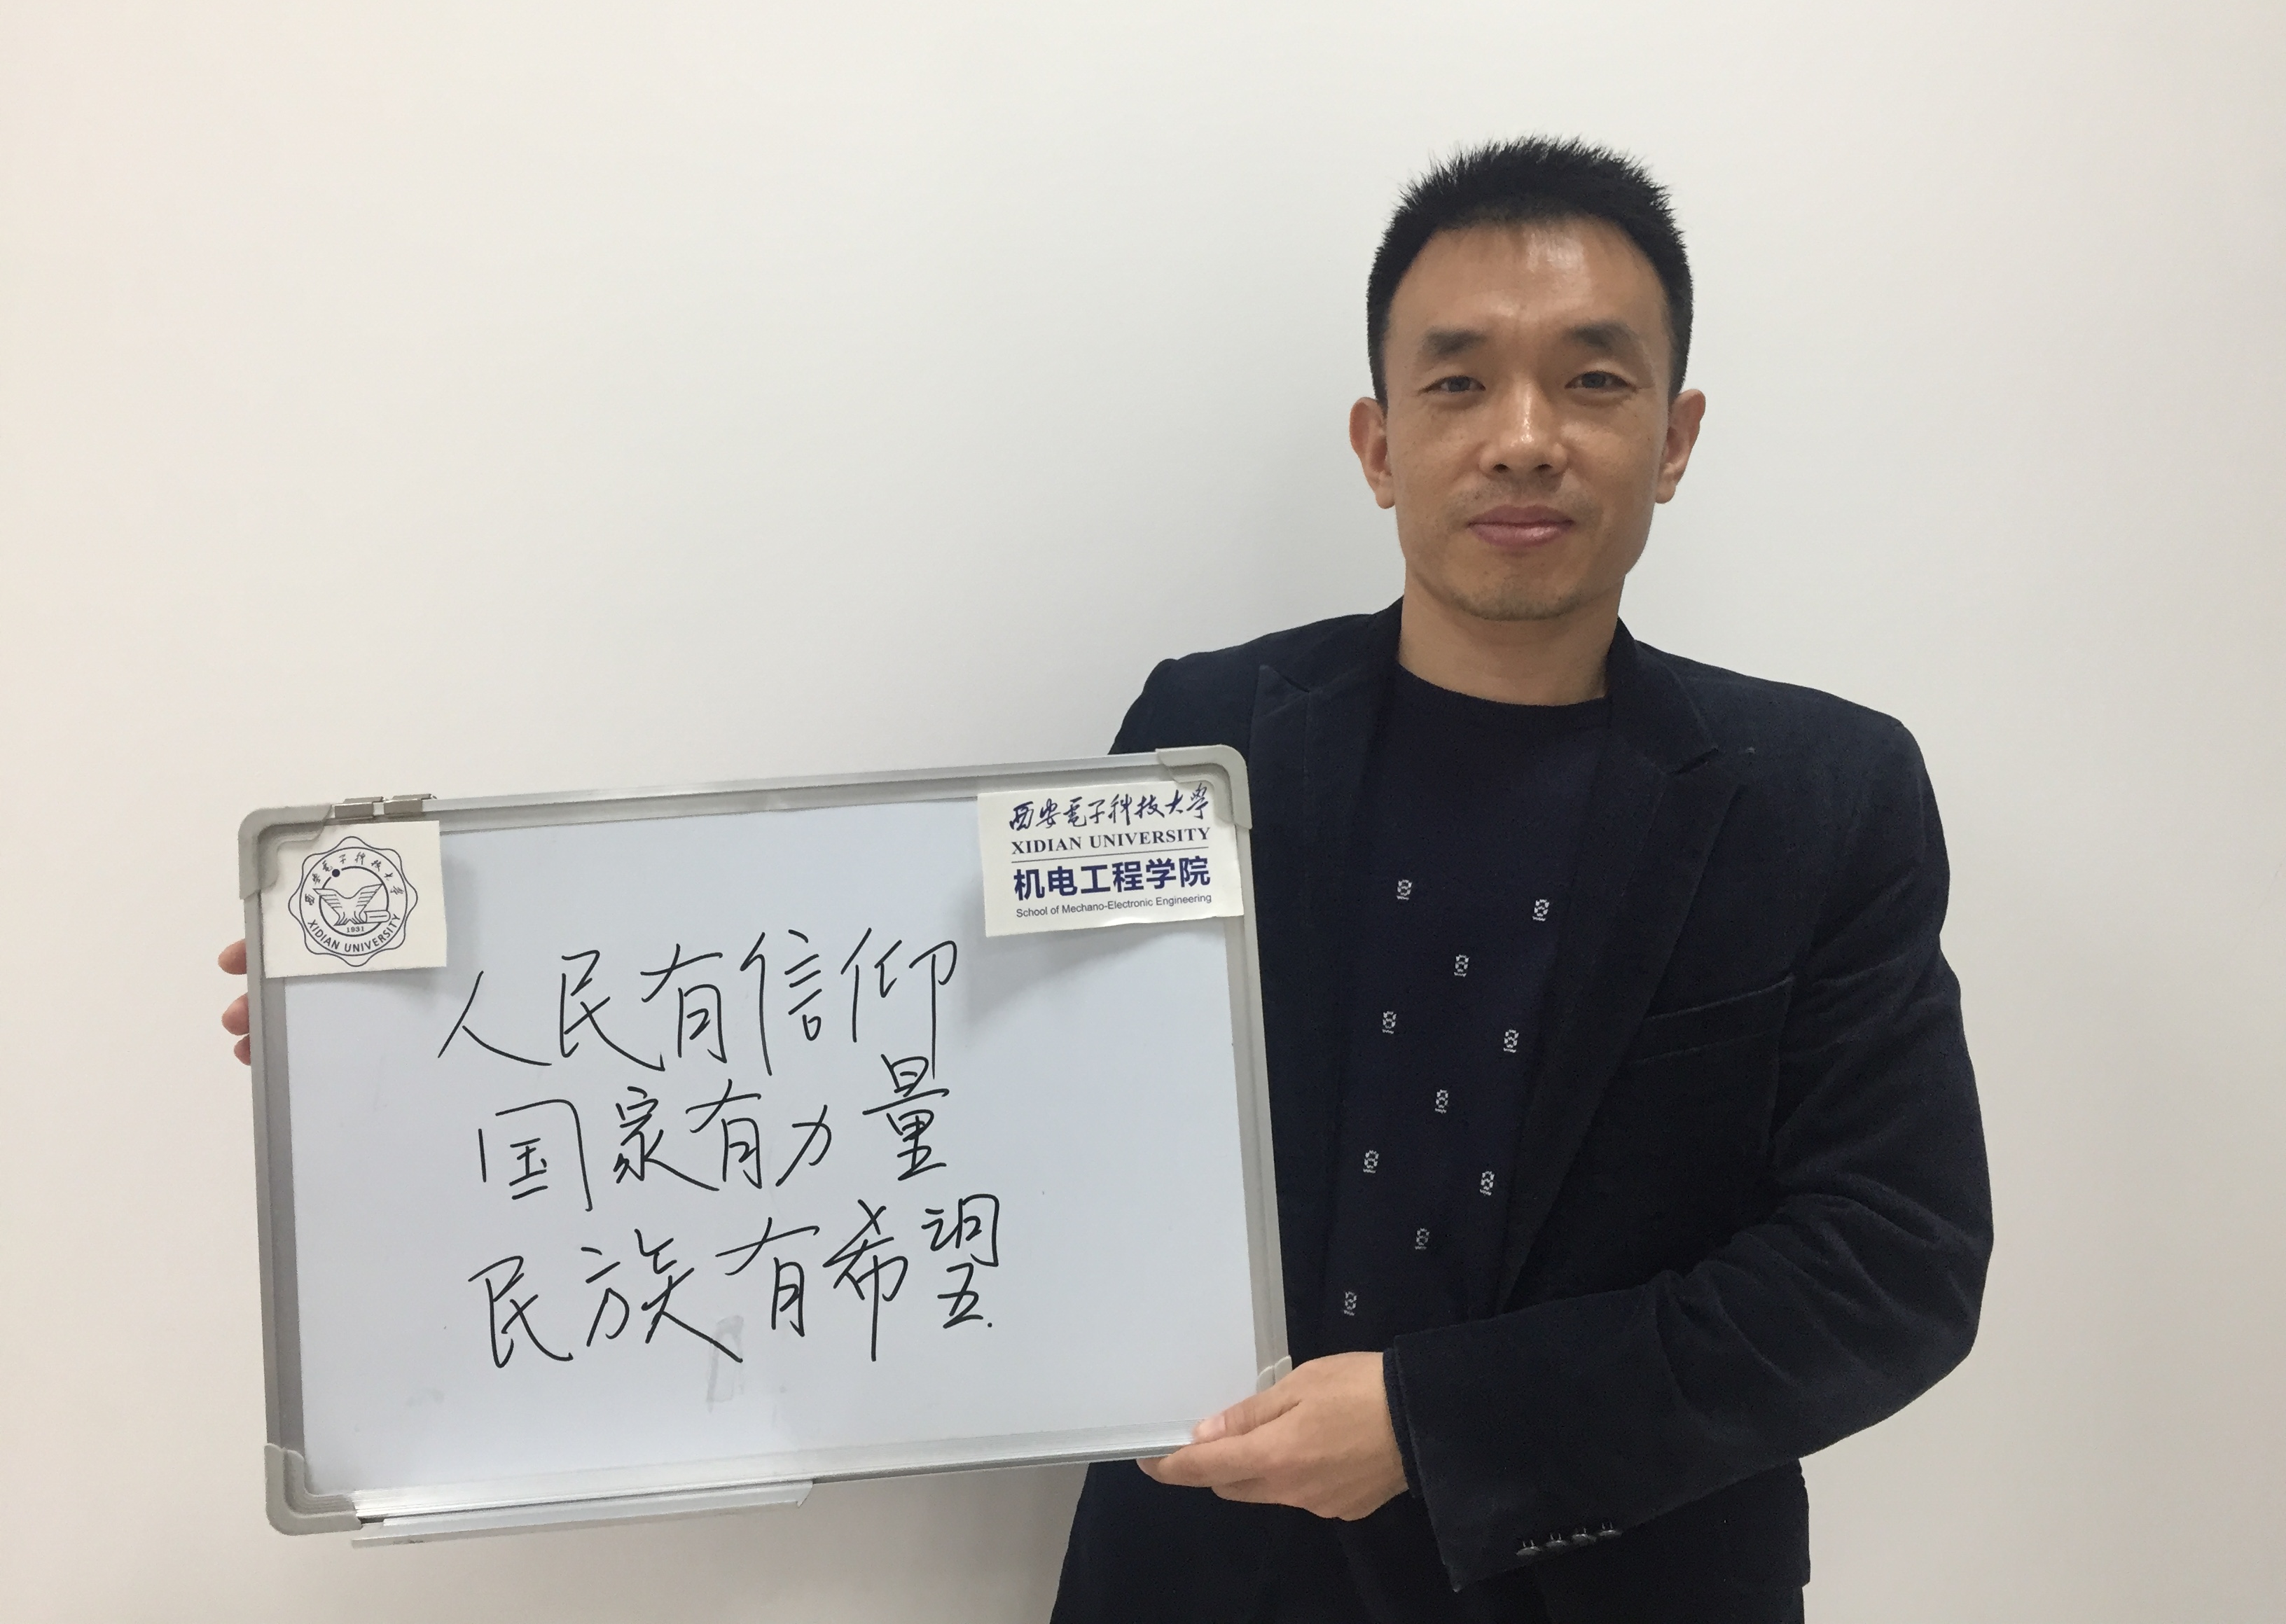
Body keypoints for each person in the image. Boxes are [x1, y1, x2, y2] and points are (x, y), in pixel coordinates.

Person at [219, 138, 1990, 1623]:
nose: (1522, 435)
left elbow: (1887, 1266)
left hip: (1629, 1574)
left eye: (1592, 379)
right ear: (1379, 442)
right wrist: (434, 1036)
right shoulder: (1213, 734)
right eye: (1458, 379)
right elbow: (978, 1069)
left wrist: (1435, 1421)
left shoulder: (1823, 796)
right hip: (1208, 1574)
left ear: (1675, 435)